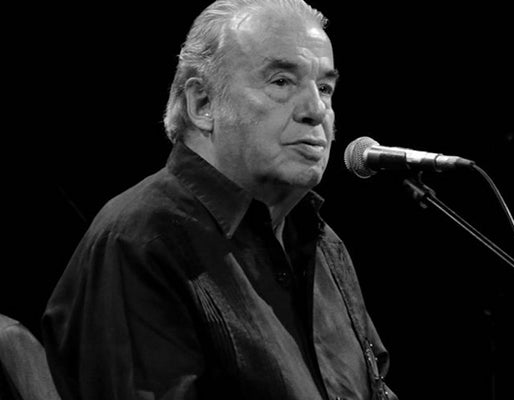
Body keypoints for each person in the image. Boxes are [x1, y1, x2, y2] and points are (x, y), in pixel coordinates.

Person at [41, 1, 397, 399]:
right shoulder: (140, 241)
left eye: (325, 88)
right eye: (281, 81)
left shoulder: (322, 244)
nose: (316, 110)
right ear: (203, 104)